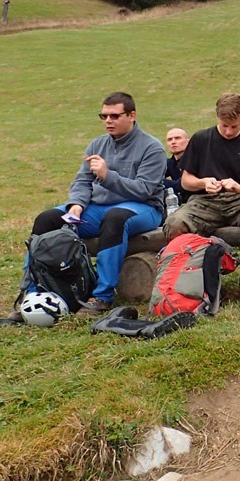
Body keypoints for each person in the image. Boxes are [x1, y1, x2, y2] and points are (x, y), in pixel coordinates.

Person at [23, 92, 166, 316]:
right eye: (104, 116)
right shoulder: (97, 144)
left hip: (143, 208)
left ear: (132, 115)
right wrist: (76, 204)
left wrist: (107, 176)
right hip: (97, 208)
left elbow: (144, 190)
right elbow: (82, 181)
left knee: (115, 218)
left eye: (114, 116)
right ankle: (33, 291)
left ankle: (101, 296)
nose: (108, 121)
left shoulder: (152, 148)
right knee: (47, 220)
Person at [166, 93, 240, 306]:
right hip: (204, 201)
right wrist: (203, 183)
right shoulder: (201, 139)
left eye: (234, 127)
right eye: (224, 125)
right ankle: (191, 275)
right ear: (217, 117)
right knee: (175, 222)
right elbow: (186, 181)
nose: (228, 131)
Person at [164, 127, 189, 206]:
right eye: (169, 140)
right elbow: (152, 176)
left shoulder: (196, 161)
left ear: (188, 142)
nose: (173, 142)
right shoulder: (169, 163)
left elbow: (182, 184)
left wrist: (158, 181)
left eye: (177, 138)